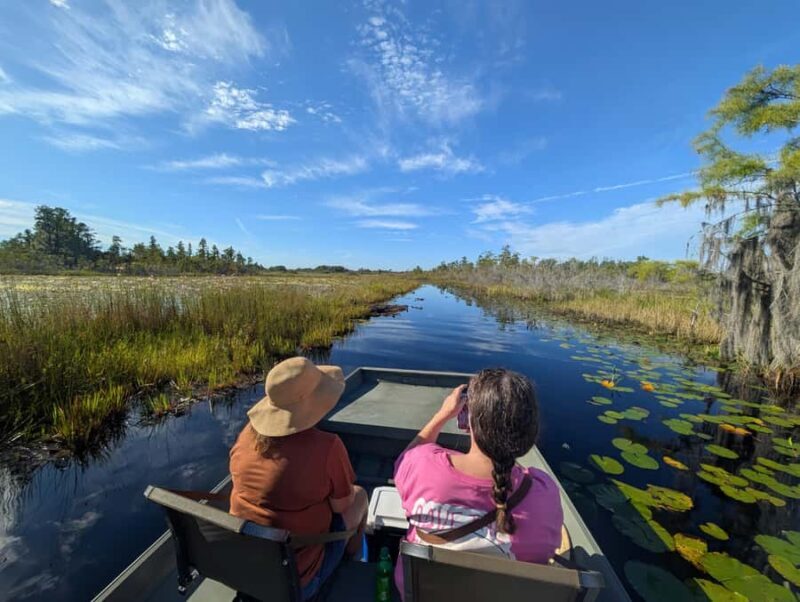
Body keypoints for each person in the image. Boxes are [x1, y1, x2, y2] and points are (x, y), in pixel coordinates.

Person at [393, 368, 564, 592]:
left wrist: (442, 414)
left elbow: (404, 461)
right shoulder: (545, 492)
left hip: (421, 591)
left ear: (467, 420)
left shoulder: (422, 466)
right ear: (528, 432)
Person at [229, 357, 368, 600]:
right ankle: (353, 561)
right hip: (298, 580)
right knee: (360, 497)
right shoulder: (328, 447)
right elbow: (343, 506)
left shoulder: (245, 437)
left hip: (247, 570)